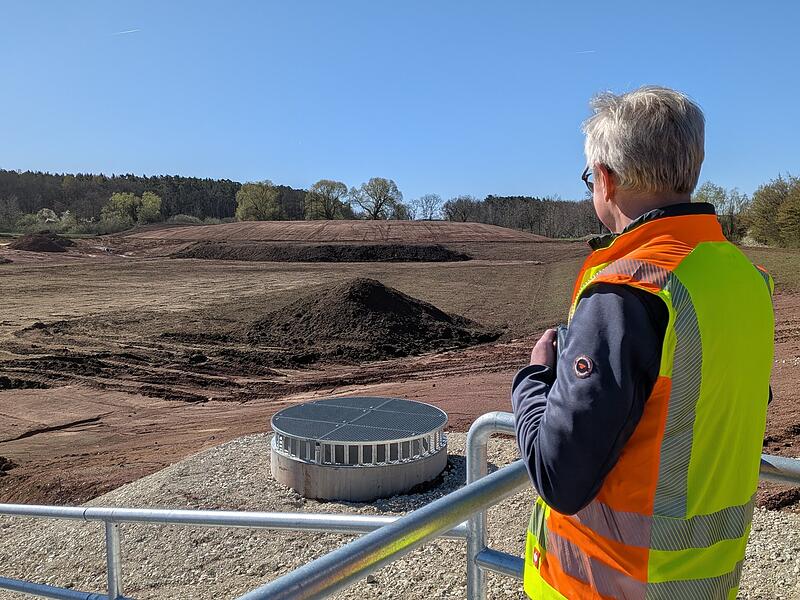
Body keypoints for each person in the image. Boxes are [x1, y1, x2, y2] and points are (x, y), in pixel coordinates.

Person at [512, 86, 775, 599]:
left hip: (605, 587)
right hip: (707, 582)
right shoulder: (746, 279)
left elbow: (558, 475)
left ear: (605, 181)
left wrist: (535, 378)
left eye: (590, 178)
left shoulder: (627, 292)